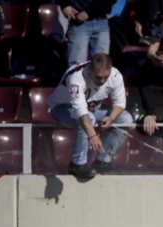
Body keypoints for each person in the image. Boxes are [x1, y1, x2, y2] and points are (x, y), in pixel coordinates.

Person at [48, 52, 133, 182]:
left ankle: (102, 162)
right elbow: (81, 111)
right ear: (90, 70)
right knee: (90, 118)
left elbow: (120, 104)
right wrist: (92, 136)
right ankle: (77, 164)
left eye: (105, 77)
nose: (102, 81)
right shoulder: (76, 76)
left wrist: (110, 118)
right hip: (62, 108)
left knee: (125, 119)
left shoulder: (115, 75)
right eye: (98, 78)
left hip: (93, 109)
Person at [60, 0, 114, 67]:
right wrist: (64, 5)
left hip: (101, 20)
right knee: (77, 66)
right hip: (78, 22)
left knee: (102, 65)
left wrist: (88, 12)